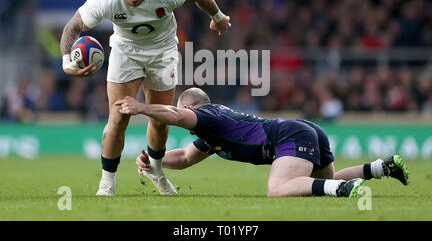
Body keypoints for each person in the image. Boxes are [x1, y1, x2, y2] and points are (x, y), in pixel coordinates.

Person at [60, 0, 231, 196]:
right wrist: (67, 62)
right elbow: (73, 27)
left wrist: (218, 17)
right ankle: (107, 183)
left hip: (163, 52)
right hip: (125, 52)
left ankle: (156, 171)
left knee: (160, 119)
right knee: (118, 117)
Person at [115, 87, 410, 198]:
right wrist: (154, 160)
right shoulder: (212, 133)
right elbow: (183, 159)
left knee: (278, 189)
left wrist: (141, 107)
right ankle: (381, 168)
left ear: (191, 109)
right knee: (317, 181)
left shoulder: (205, 116)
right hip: (303, 130)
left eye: (183, 110)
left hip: (289, 136)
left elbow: (174, 115)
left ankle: (343, 191)